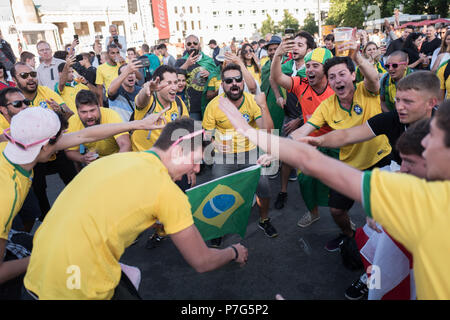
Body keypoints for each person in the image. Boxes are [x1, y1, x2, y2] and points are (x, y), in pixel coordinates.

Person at [220, 91, 450, 300]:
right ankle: (372, 280)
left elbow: (312, 162)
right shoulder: (418, 191)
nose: (400, 168)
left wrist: (248, 131)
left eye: (412, 160)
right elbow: (313, 160)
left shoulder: (424, 199)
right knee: (383, 258)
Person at [23, 116, 248, 300]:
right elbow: (202, 261)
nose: (197, 169)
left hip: (34, 278)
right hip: (77, 291)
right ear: (178, 150)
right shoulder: (167, 192)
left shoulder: (109, 161)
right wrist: (234, 252)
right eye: (197, 160)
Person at [0, 104, 169, 298]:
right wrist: (44, 256)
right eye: (60, 135)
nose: (65, 137)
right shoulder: (7, 195)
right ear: (45, 145)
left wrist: (139, 124)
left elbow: (84, 136)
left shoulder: (14, 146)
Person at [287, 35, 392, 252]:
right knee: (336, 210)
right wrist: (278, 148)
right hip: (349, 165)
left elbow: (373, 77)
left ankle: (386, 250)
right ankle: (349, 235)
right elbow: (303, 130)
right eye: (332, 77)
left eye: (342, 74)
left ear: (353, 76)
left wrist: (356, 56)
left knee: (383, 213)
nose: (337, 80)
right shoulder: (327, 105)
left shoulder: (367, 91)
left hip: (381, 159)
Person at [300, 71, 440, 169]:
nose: (399, 107)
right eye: (397, 100)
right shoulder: (391, 119)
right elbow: (347, 135)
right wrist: (319, 141)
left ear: (431, 103)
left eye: (408, 101)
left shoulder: (444, 129)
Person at [202, 63, 276, 245]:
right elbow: (205, 134)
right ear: (223, 84)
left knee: (264, 186)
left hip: (250, 153)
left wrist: (264, 106)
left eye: (238, 80)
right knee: (218, 192)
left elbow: (267, 130)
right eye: (229, 81)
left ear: (243, 82)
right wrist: (213, 143)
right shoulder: (213, 106)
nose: (234, 84)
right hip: (223, 156)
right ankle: (219, 228)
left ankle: (264, 220)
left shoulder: (252, 101)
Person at [271, 45, 337, 225]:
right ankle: (313, 213)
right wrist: (278, 54)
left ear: (326, 68)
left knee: (336, 186)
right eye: (308, 66)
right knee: (305, 182)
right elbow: (277, 77)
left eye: (315, 66)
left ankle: (342, 217)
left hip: (333, 143)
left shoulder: (336, 88)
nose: (309, 70)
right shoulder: (301, 84)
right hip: (307, 142)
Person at [270, 32, 320, 210]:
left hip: (308, 121)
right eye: (294, 44)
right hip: (289, 116)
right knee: (287, 159)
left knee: (310, 160)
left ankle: (315, 199)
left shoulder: (313, 71)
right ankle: (283, 192)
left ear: (310, 50)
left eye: (300, 45)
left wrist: (299, 120)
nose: (295, 48)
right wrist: (278, 96)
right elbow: (272, 77)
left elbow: (318, 103)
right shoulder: (286, 65)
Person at [131, 65, 189, 152]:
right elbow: (140, 101)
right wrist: (147, 90)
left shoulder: (178, 103)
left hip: (166, 160)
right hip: (143, 159)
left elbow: (186, 129)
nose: (174, 87)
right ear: (157, 84)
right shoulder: (149, 100)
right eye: (169, 83)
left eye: (175, 82)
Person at [65, 90, 132, 165]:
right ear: (77, 111)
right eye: (84, 112)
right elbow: (70, 151)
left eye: (92, 110)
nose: (89, 116)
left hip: (117, 157)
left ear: (99, 106)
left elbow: (125, 144)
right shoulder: (73, 121)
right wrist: (82, 158)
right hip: (95, 161)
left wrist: (115, 165)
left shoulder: (111, 115)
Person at [175, 35, 221, 121]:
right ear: (185, 46)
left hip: (209, 103)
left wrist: (210, 73)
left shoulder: (208, 60)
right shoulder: (180, 61)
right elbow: (174, 78)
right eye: (189, 43)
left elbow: (217, 75)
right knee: (197, 132)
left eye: (195, 43)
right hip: (192, 106)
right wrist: (186, 64)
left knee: (209, 132)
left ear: (199, 45)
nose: (192, 45)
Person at [260, 35, 285, 131]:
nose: (273, 52)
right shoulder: (266, 66)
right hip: (269, 104)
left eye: (276, 49)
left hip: (285, 105)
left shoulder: (289, 64)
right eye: (270, 50)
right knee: (272, 133)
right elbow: (263, 86)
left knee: (285, 136)